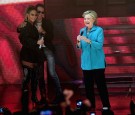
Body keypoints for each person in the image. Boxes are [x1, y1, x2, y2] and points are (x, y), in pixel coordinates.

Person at [17, 4, 63, 105]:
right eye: (38, 12)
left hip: (45, 49)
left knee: (51, 72)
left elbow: (50, 37)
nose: (39, 15)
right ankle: (41, 96)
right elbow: (22, 32)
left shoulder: (46, 23)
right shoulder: (30, 23)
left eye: (42, 12)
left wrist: (43, 31)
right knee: (37, 75)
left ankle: (59, 94)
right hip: (35, 52)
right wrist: (20, 26)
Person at [76, 10, 114, 115]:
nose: (86, 20)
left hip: (97, 63)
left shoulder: (99, 30)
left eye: (88, 18)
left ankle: (106, 105)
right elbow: (80, 47)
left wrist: (87, 40)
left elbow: (99, 46)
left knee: (101, 85)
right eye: (85, 18)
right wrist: (78, 41)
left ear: (94, 19)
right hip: (86, 64)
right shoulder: (82, 30)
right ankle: (91, 105)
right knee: (88, 86)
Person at [18, 5, 44, 108]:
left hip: (34, 56)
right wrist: (37, 41)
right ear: (27, 15)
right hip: (27, 56)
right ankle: (24, 100)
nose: (34, 16)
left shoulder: (31, 26)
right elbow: (23, 39)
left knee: (34, 79)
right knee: (27, 79)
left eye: (35, 15)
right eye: (32, 14)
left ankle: (33, 98)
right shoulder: (25, 26)